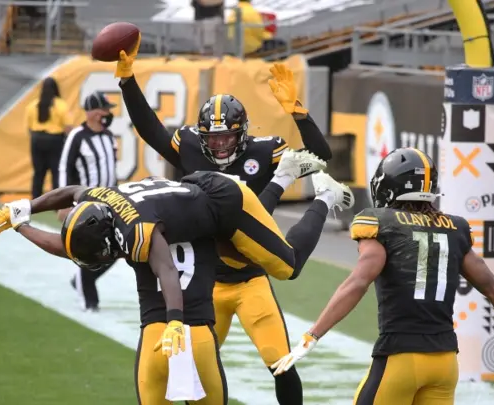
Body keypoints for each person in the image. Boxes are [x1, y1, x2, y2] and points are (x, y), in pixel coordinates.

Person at [0, 162, 352, 404]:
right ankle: (284, 180)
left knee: (285, 265)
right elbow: (72, 194)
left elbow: (165, 269)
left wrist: (175, 318)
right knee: (232, 253)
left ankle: (318, 194)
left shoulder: (136, 229)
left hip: (223, 197)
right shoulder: (100, 203)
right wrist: (23, 215)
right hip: (185, 205)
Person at [116, 39, 334, 405]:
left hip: (251, 278)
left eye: (226, 136)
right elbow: (150, 129)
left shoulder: (264, 151)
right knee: (189, 363)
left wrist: (297, 111)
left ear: (242, 132)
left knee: (279, 361)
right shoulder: (188, 145)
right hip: (206, 283)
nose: (218, 146)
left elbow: (321, 156)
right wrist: (127, 81)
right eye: (211, 138)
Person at [272, 148, 494, 405]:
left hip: (401, 358)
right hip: (445, 364)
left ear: (389, 187)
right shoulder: (455, 227)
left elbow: (358, 282)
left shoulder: (380, 222)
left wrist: (312, 336)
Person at [58, 91, 117, 312]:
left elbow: (112, 169)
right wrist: (64, 202)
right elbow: (65, 167)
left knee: (117, 249)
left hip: (110, 201)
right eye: (104, 109)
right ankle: (89, 302)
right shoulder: (78, 136)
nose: (108, 113)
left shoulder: (108, 135)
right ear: (93, 112)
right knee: (88, 248)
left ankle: (82, 280)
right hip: (87, 202)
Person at [25, 77, 72, 199]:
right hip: (55, 140)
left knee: (38, 173)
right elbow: (68, 126)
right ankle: (56, 201)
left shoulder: (32, 105)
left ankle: (35, 200)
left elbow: (29, 127)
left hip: (37, 139)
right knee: (56, 172)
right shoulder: (61, 105)